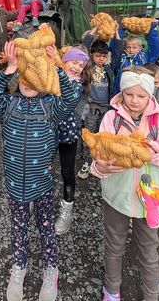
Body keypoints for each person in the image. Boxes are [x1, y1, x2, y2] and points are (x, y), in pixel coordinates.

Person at [0, 40, 80, 301]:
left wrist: (57, 67)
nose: (28, 82)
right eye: (23, 77)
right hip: (15, 184)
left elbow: (71, 96)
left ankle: (51, 269)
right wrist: (11, 67)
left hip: (42, 185)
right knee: (19, 228)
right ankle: (20, 266)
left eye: (34, 77)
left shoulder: (51, 108)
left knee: (46, 228)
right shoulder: (8, 106)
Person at [91, 71, 159, 301]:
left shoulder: (157, 121)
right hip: (117, 195)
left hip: (149, 199)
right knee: (114, 244)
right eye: (128, 94)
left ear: (150, 96)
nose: (134, 100)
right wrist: (100, 167)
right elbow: (98, 156)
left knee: (149, 249)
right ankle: (111, 290)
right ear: (121, 94)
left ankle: (151, 294)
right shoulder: (112, 119)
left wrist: (153, 152)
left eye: (141, 96)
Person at [54, 47, 92, 235]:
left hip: (68, 134)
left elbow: (67, 95)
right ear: (65, 61)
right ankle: (34, 198)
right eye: (73, 62)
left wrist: (57, 67)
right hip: (49, 133)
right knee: (43, 167)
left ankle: (66, 210)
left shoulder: (78, 85)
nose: (77, 67)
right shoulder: (53, 75)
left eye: (81, 65)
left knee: (67, 171)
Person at [77, 35, 115, 179]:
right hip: (91, 108)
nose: (101, 59)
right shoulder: (88, 67)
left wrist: (116, 33)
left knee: (103, 135)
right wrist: (93, 32)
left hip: (106, 108)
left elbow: (117, 51)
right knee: (89, 135)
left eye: (104, 56)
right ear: (91, 55)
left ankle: (101, 162)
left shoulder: (109, 68)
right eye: (98, 56)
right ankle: (87, 161)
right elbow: (84, 48)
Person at [109, 23, 159, 94]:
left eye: (134, 47)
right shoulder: (121, 57)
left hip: (139, 91)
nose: (131, 50)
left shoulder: (144, 58)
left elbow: (155, 47)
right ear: (125, 47)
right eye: (128, 47)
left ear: (140, 48)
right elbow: (115, 46)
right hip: (120, 91)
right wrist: (121, 29)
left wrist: (152, 29)